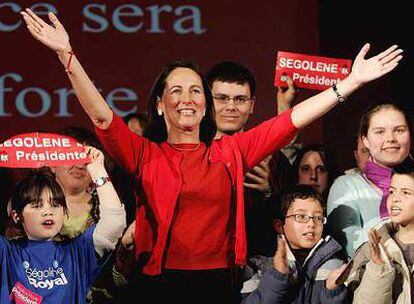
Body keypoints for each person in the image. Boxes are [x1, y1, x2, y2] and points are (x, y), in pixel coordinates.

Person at [21, 8, 402, 302]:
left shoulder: (231, 150)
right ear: (158, 105)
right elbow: (101, 116)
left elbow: (291, 120)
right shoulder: (144, 153)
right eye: (176, 91)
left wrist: (350, 82)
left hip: (218, 285)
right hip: (157, 285)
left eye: (196, 91)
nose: (187, 98)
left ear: (205, 106)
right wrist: (66, 55)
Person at [0, 147, 126, 303]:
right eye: (37, 205)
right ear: (16, 216)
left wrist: (98, 171)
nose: (48, 212)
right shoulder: (7, 253)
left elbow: (114, 223)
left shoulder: (77, 253)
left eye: (55, 204)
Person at [206, 61, 295, 256]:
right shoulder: (191, 153)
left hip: (261, 265)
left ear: (252, 104)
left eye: (240, 99)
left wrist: (269, 193)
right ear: (205, 101)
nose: (231, 107)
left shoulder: (274, 159)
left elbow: (294, 219)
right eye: (221, 98)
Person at [327, 102, 412, 257]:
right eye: (380, 132)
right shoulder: (347, 186)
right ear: (365, 140)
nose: (390, 138)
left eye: (399, 130)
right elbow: (351, 244)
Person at [240, 185, 349, 303]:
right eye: (301, 216)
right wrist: (277, 277)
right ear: (279, 226)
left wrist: (332, 291)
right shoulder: (258, 266)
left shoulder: (332, 265)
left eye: (318, 218)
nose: (312, 224)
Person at [347, 158, 414, 303]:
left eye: (406, 193)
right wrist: (377, 267)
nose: (395, 199)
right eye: (391, 191)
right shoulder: (374, 249)